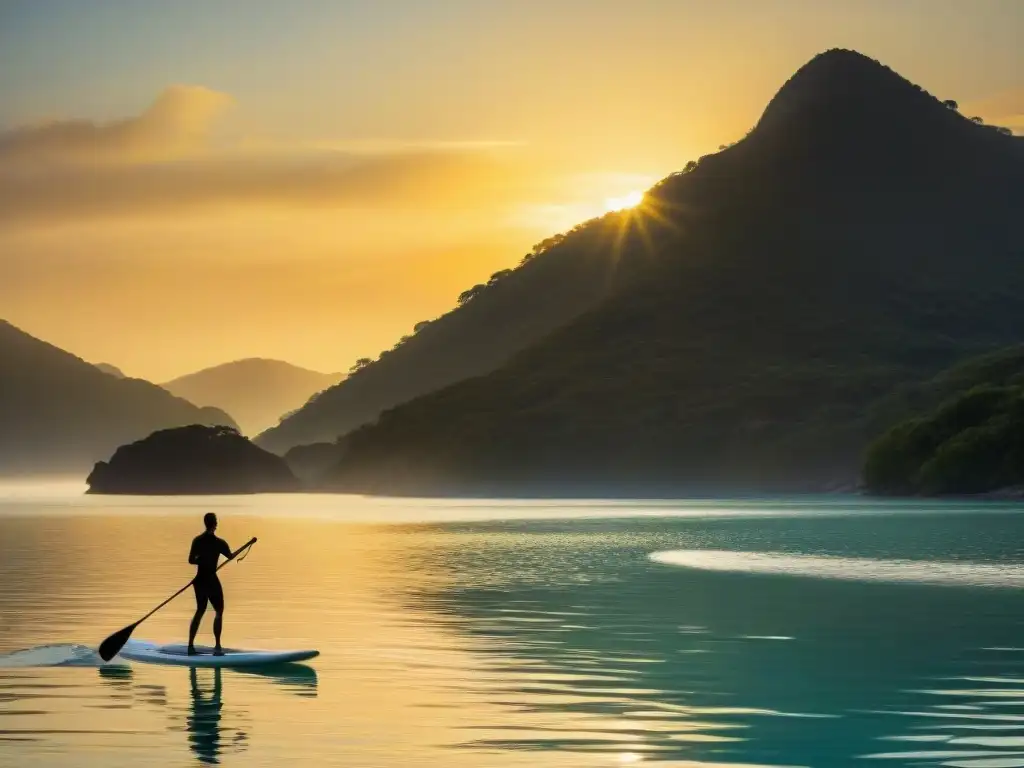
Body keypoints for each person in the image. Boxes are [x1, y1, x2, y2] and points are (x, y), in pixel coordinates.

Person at [187, 512, 239, 656]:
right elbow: (230, 556)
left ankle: (190, 646)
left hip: (199, 580)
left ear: (205, 523)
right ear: (215, 524)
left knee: (200, 610)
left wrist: (201, 560)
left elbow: (191, 560)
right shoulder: (219, 543)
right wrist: (235, 553)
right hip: (210, 580)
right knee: (219, 611)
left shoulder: (197, 540)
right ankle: (217, 647)